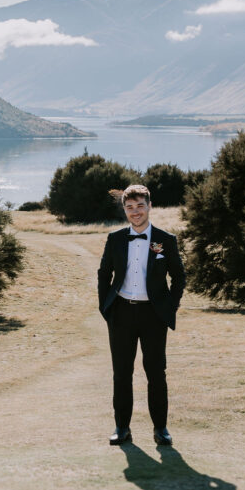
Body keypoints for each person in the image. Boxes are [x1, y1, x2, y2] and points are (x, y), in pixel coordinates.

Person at [97, 185, 185, 447]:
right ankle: (122, 428)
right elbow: (104, 274)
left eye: (139, 206)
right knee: (121, 373)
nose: (135, 212)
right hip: (121, 312)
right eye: (130, 207)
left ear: (149, 206)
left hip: (153, 314)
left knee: (156, 373)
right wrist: (106, 307)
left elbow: (179, 277)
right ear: (125, 210)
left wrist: (170, 306)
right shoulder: (115, 239)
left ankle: (161, 429)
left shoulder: (165, 240)